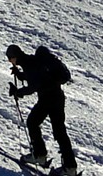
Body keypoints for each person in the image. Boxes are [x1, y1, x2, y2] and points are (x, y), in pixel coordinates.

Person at [7, 43, 77, 174]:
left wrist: (18, 92)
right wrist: (19, 75)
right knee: (60, 131)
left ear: (14, 57)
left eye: (10, 58)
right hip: (57, 97)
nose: (10, 61)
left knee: (32, 122)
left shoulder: (28, 63)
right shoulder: (32, 61)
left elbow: (33, 86)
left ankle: (39, 156)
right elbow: (36, 77)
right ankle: (70, 167)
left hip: (47, 99)